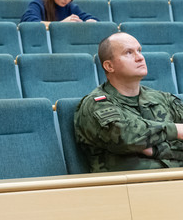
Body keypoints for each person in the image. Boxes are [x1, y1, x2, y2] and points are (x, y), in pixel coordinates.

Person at [74, 32, 183, 172]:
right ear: (109, 66)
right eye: (129, 53)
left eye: (139, 50)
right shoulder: (96, 104)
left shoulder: (163, 98)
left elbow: (138, 138)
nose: (140, 57)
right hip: (127, 187)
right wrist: (176, 130)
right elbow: (126, 137)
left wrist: (155, 149)